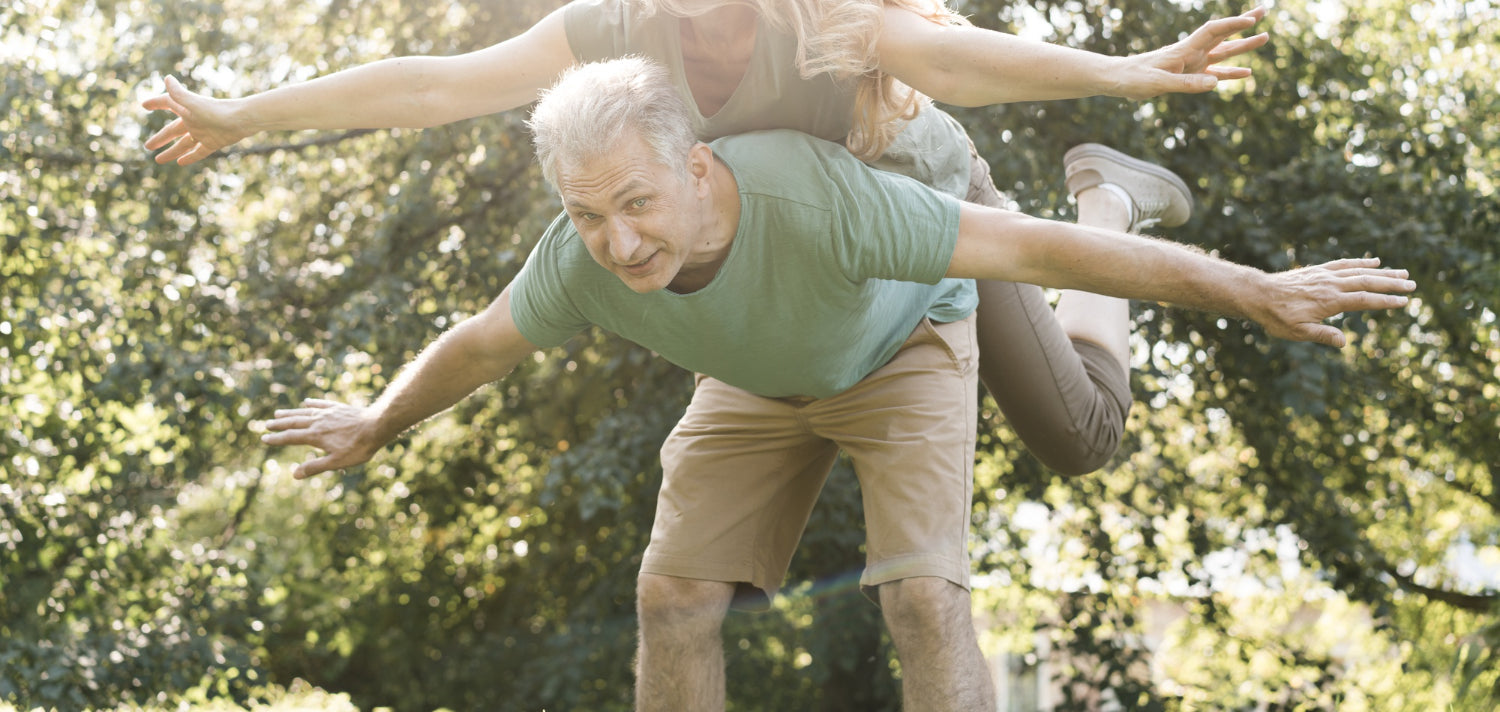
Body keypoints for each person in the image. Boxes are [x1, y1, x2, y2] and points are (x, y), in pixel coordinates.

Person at [147, 0, 1271, 475]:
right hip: (813, 275)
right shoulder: (621, 27)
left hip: (938, 219)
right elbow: (435, 85)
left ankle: (1106, 194)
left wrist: (1122, 72)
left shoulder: (819, 7)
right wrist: (248, 114)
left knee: (1078, 438)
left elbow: (957, 57)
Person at [260, 57, 1412, 712]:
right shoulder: (585, 257)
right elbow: (479, 340)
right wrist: (376, 417)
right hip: (761, 379)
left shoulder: (825, 206)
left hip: (904, 339)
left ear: (696, 163)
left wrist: (1251, 288)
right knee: (672, 598)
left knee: (946, 567)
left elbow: (1046, 257)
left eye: (639, 203)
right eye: (588, 213)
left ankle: (1107, 182)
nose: (617, 242)